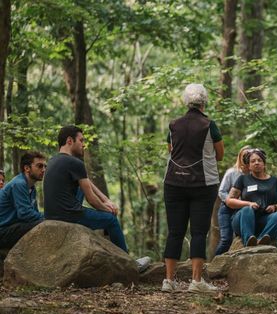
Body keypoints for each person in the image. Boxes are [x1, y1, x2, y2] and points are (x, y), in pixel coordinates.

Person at [43, 125, 151, 272]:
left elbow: (86, 183)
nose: (84, 144)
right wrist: (109, 210)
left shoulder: (52, 161)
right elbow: (92, 200)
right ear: (69, 141)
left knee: (84, 186)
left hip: (51, 216)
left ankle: (111, 251)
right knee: (111, 220)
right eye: (81, 140)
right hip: (69, 215)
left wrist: (106, 199)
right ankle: (130, 265)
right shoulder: (75, 163)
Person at [162, 83, 224, 293]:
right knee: (199, 231)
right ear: (204, 102)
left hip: (173, 183)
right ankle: (196, 281)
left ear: (185, 101)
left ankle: (168, 281)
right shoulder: (209, 125)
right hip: (203, 184)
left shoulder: (173, 124)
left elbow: (171, 150)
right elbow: (220, 154)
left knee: (174, 231)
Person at [226, 149, 277, 247]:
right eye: (253, 161)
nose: (256, 163)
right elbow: (229, 201)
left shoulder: (275, 181)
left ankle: (261, 240)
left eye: (259, 160)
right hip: (243, 220)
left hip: (265, 220)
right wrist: (248, 203)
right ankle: (248, 240)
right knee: (247, 209)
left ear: (264, 164)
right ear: (248, 166)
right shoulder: (243, 179)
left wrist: (275, 207)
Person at [0, 152, 46, 248]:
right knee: (46, 224)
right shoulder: (18, 184)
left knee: (46, 223)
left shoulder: (31, 188)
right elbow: (25, 214)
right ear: (27, 168)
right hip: (3, 231)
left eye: (44, 166)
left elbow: (34, 213)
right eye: (39, 166)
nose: (44, 170)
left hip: (14, 227)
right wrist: (49, 216)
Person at [214, 145, 251, 256]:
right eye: (244, 155)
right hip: (227, 209)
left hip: (244, 210)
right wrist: (231, 202)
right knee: (226, 240)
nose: (246, 158)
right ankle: (214, 264)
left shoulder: (253, 174)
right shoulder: (232, 172)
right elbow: (222, 191)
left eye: (249, 156)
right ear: (240, 157)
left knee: (240, 239)